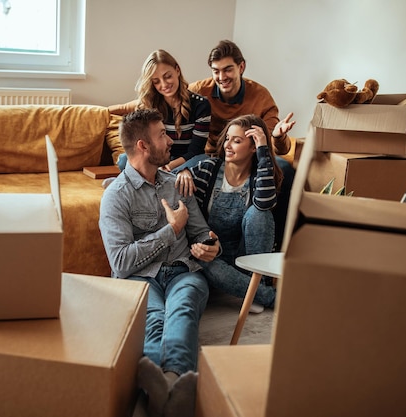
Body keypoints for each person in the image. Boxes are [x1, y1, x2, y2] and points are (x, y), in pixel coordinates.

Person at [99, 109, 220, 417]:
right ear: (142, 146)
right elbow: (122, 262)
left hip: (184, 272)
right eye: (162, 135)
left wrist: (211, 245)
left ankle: (163, 384)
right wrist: (171, 231)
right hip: (139, 278)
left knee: (182, 311)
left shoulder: (176, 184)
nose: (170, 141)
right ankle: (173, 391)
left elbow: (199, 232)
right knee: (154, 318)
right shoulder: (116, 196)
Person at [189, 40, 295, 250]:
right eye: (216, 71)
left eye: (227, 69)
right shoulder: (200, 90)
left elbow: (279, 149)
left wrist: (277, 135)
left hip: (251, 157)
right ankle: (198, 239)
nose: (222, 77)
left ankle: (278, 245)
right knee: (188, 169)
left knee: (285, 169)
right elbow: (165, 101)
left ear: (241, 67)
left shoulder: (260, 95)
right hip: (212, 156)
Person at [176, 114, 282, 312]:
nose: (228, 145)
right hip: (213, 256)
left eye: (237, 141)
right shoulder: (209, 169)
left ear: (253, 148)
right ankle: (268, 296)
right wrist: (184, 170)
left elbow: (265, 202)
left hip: (245, 257)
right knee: (203, 262)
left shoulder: (260, 176)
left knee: (260, 214)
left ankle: (255, 284)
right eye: (227, 139)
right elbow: (166, 180)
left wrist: (264, 150)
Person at [109, 49, 211, 174]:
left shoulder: (201, 105)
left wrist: (170, 166)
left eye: (168, 76)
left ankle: (160, 179)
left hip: (186, 160)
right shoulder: (149, 104)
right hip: (159, 158)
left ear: (177, 70)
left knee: (205, 161)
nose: (164, 85)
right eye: (156, 81)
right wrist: (160, 165)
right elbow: (144, 147)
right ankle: (167, 179)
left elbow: (196, 151)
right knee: (124, 160)